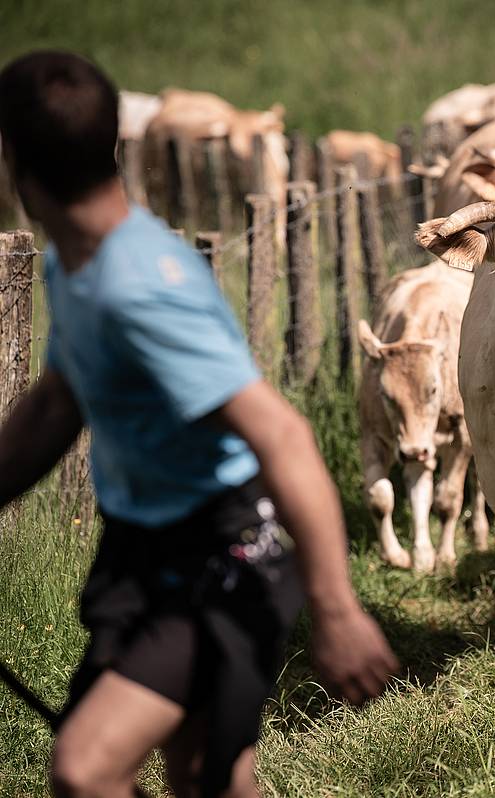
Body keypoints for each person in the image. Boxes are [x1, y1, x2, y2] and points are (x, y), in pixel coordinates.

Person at [0, 51, 399, 798]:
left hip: (224, 557)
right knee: (205, 781)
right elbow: (58, 401)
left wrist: (337, 612)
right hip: (144, 552)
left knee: (85, 770)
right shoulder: (74, 266)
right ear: (113, 144)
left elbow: (282, 434)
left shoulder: (142, 288)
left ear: (15, 163)